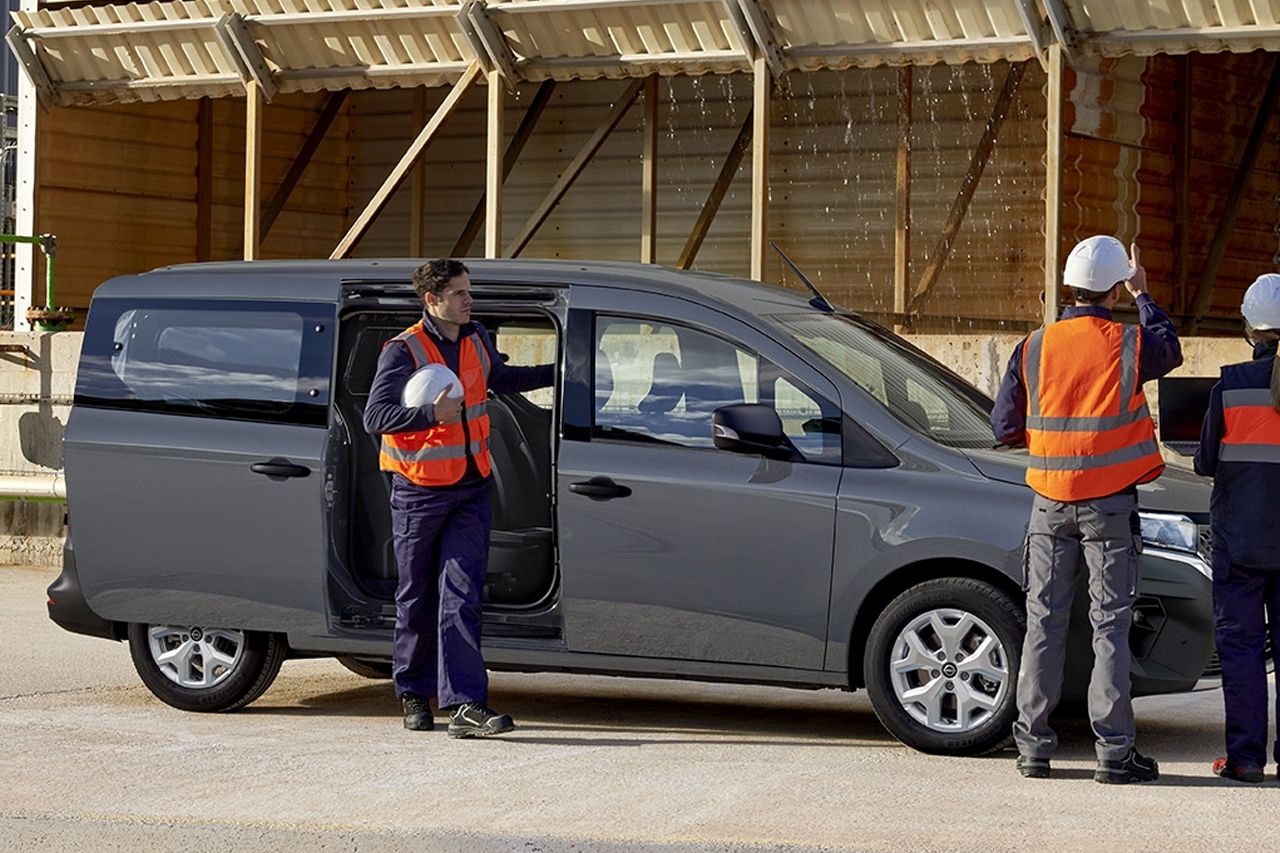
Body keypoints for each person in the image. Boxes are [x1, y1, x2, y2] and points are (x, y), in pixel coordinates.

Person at [991, 236, 1182, 783]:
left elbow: (1004, 427)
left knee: (1043, 623)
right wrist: (1145, 296)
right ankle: (1114, 754)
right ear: (1116, 289)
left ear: (1068, 287)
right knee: (1109, 627)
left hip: (1048, 504)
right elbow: (1170, 349)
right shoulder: (1128, 342)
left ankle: (1032, 748)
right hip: (1110, 510)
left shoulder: (1033, 346)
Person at [363, 258, 554, 737]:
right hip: (419, 493)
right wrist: (431, 413)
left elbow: (500, 380)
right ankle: (412, 692)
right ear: (432, 300)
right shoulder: (403, 350)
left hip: (471, 488)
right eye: (460, 294)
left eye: (469, 292)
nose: (470, 301)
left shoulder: (475, 337)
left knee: (463, 596)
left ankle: (465, 705)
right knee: (416, 598)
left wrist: (560, 370)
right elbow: (375, 417)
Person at [1194, 274, 1280, 784]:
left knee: (1243, 650)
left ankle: (1246, 760)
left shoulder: (1229, 386)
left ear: (1251, 328)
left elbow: (1206, 461)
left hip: (1241, 541)